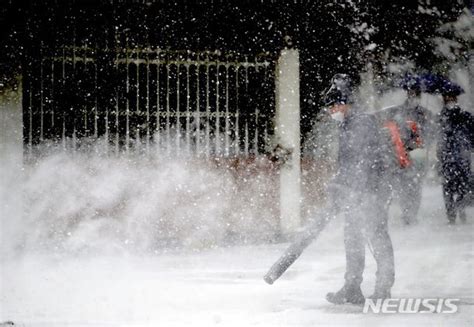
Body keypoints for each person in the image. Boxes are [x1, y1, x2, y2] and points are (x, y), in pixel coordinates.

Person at [322, 73, 395, 304]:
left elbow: (367, 161)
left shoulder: (362, 123)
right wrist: (339, 183)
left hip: (372, 192)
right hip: (356, 193)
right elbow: (349, 163)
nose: (330, 112)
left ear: (343, 104)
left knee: (377, 238)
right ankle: (352, 287)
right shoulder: (347, 124)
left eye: (332, 107)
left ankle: (383, 288)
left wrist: (355, 187)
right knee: (353, 238)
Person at [383, 75, 435, 225]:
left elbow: (430, 133)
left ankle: (412, 212)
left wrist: (423, 140)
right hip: (402, 153)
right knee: (405, 185)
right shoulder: (398, 112)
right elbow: (393, 132)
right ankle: (407, 211)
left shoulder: (425, 113)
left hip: (418, 154)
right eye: (411, 93)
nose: (414, 96)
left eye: (416, 93)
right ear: (407, 94)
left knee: (416, 185)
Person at [437, 80, 473, 224]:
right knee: (449, 189)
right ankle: (452, 215)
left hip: (461, 158)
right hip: (447, 158)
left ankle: (459, 210)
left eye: (452, 97)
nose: (450, 99)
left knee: (461, 188)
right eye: (447, 97)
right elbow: (438, 136)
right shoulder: (440, 118)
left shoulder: (465, 117)